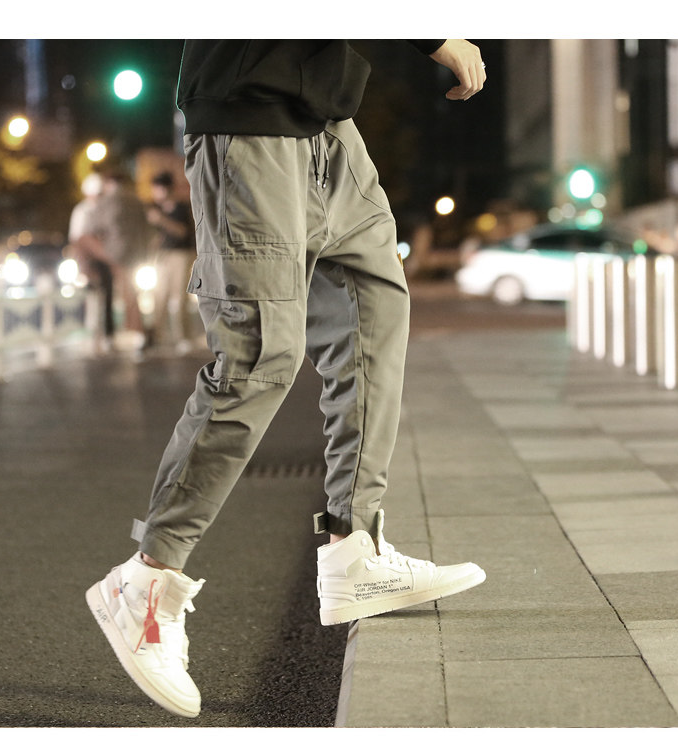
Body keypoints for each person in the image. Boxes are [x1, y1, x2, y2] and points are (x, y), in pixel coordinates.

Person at [86, 39, 488, 719]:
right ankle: (146, 581)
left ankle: (354, 549)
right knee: (260, 356)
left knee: (373, 313)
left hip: (330, 123)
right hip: (249, 117)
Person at [146, 171, 198, 353]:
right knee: (159, 297)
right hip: (163, 256)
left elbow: (183, 232)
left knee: (179, 298)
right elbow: (159, 235)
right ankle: (156, 336)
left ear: (165, 189)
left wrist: (162, 220)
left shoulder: (181, 208)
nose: (154, 193)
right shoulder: (157, 209)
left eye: (156, 189)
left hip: (181, 255)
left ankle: (183, 337)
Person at [98, 171, 152, 344]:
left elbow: (101, 226)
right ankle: (135, 329)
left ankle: (134, 330)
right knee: (131, 290)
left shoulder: (107, 201)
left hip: (115, 252)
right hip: (135, 251)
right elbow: (145, 227)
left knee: (123, 291)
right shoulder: (135, 200)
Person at [67, 172, 115, 341]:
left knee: (108, 296)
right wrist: (81, 266)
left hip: (105, 260)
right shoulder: (81, 211)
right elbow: (76, 239)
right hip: (89, 261)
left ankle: (108, 333)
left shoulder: (105, 210)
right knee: (91, 297)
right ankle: (91, 334)